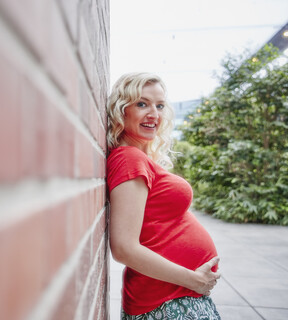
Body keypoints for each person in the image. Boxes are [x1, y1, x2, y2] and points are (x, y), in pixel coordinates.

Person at [106, 72, 221, 319]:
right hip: (165, 301)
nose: (154, 114)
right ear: (122, 110)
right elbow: (124, 248)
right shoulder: (129, 158)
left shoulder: (139, 158)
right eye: (142, 104)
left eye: (159, 105)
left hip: (175, 297)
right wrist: (194, 279)